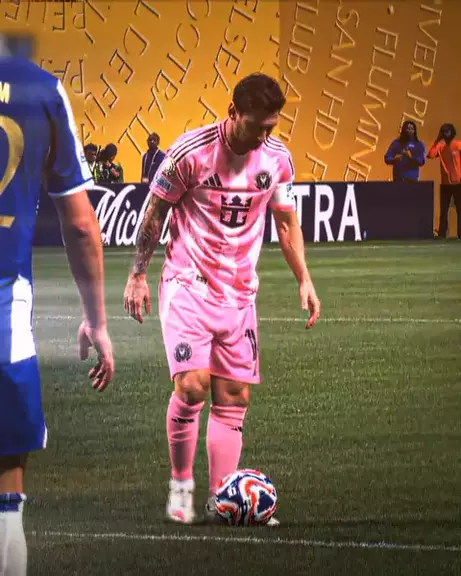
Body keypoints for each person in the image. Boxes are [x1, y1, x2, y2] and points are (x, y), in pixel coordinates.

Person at [123, 72, 321, 526]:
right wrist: (137, 275)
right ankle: (181, 486)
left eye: (271, 127)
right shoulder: (189, 153)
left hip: (240, 294)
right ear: (233, 112)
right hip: (188, 283)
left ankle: (222, 498)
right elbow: (155, 212)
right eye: (256, 125)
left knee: (233, 396)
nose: (264, 136)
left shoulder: (278, 161)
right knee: (192, 386)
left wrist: (304, 280)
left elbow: (286, 222)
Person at [0, 34, 114, 575]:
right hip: (4, 311)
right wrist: (96, 321)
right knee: (7, 480)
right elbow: (81, 224)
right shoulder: (41, 89)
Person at [427, 123, 461, 238]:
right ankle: (442, 234)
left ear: (452, 132)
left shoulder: (458, 145)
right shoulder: (440, 147)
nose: (446, 134)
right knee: (444, 210)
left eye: (448, 131)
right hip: (445, 184)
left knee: (460, 210)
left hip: (458, 183)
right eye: (444, 132)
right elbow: (430, 155)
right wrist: (437, 141)